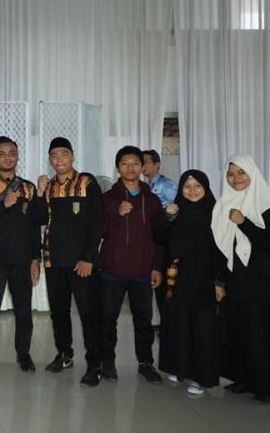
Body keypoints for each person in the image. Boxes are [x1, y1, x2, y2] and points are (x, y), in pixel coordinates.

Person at [212, 155, 270, 403]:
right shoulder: (223, 205)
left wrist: (244, 223)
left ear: (252, 174)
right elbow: (220, 248)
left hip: (258, 282)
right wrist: (219, 282)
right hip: (234, 280)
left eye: (241, 172)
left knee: (259, 334)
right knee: (237, 332)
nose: (235, 179)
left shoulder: (267, 208)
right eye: (230, 174)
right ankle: (242, 378)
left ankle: (266, 385)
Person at [0, 136, 45, 373]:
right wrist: (4, 204)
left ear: (17, 156)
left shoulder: (29, 188)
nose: (7, 158)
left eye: (11, 153)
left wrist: (35, 259)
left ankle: (24, 355)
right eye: (1, 154)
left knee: (24, 311)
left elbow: (36, 224)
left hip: (22, 260)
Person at [37, 137, 103, 387]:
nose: (59, 160)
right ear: (50, 160)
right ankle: (64, 354)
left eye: (64, 154)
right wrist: (40, 193)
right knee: (59, 312)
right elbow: (39, 219)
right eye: (54, 155)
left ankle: (94, 364)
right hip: (53, 260)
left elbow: (97, 223)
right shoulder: (49, 186)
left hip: (81, 263)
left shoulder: (86, 182)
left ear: (73, 156)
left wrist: (88, 258)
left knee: (88, 313)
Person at [153, 170, 225, 395]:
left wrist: (220, 281)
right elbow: (159, 238)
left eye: (197, 186)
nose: (192, 191)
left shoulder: (217, 213)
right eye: (187, 186)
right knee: (178, 323)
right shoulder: (176, 211)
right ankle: (179, 367)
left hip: (204, 280)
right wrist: (168, 217)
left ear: (206, 188)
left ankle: (201, 377)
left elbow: (223, 251)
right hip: (177, 278)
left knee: (201, 328)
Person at [99, 146, 164, 384]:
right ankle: (107, 362)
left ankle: (145, 362)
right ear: (117, 168)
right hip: (111, 270)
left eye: (135, 163)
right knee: (108, 318)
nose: (130, 168)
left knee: (143, 320)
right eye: (125, 163)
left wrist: (157, 267)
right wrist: (117, 214)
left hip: (142, 270)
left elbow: (159, 238)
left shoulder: (153, 200)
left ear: (142, 167)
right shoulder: (107, 199)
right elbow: (99, 231)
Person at [142, 149, 179, 329]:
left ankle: (169, 327)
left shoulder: (167, 185)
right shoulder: (144, 186)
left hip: (165, 243)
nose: (142, 166)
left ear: (157, 164)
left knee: (166, 289)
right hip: (151, 241)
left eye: (146, 162)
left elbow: (176, 213)